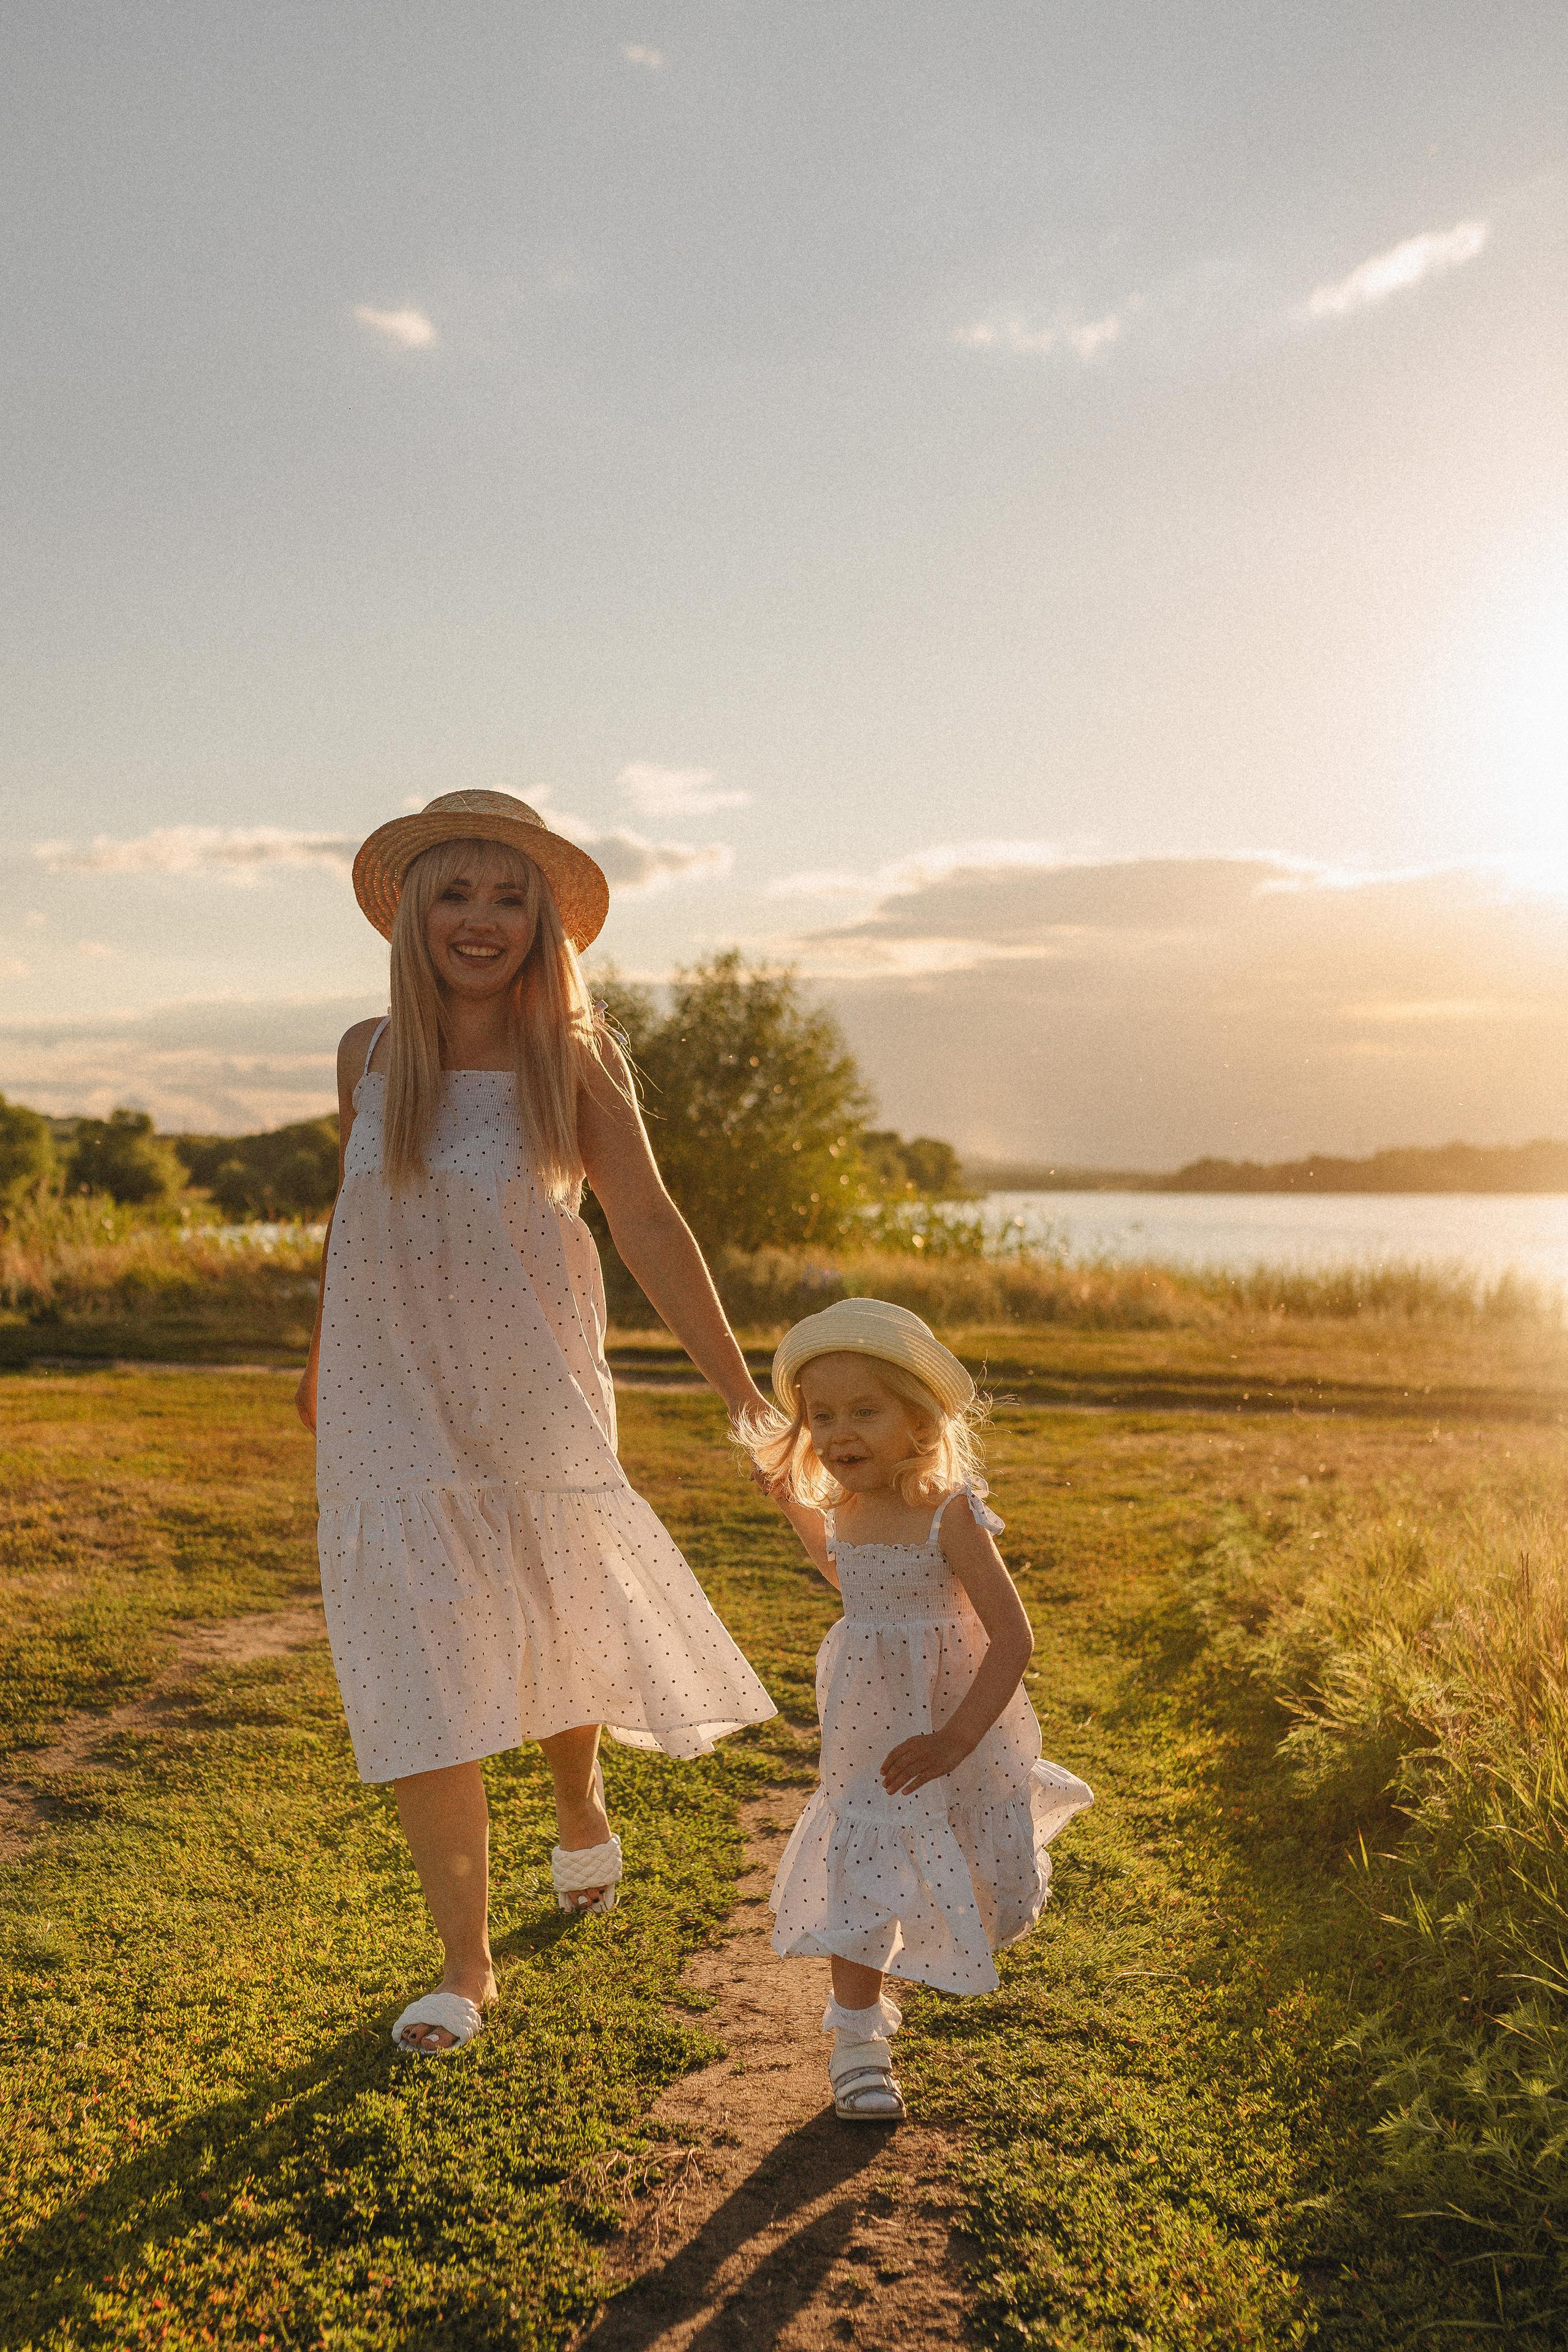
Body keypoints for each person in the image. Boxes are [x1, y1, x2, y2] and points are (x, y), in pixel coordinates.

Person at [296, 789, 775, 2054]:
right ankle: (467, 1965)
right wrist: (320, 1359)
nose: (482, 918)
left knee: (555, 1610)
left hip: (533, 1384)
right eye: (455, 893)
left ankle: (578, 1797)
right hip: (388, 1396)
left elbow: (648, 1221)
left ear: (542, 924)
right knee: (417, 1650)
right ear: (411, 912)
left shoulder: (573, 1054)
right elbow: (356, 1216)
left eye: (509, 897)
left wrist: (743, 1393)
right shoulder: (368, 1056)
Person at [745, 1298, 1092, 2120]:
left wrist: (955, 1739)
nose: (839, 1433)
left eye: (864, 1412)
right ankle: (858, 2044)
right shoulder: (845, 1505)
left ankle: (978, 1904)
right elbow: (848, 1574)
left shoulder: (950, 1512)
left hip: (954, 1722)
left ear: (919, 1421)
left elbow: (1012, 1637)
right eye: (822, 1416)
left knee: (981, 1876)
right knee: (863, 1864)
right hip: (870, 1723)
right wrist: (793, 1506)